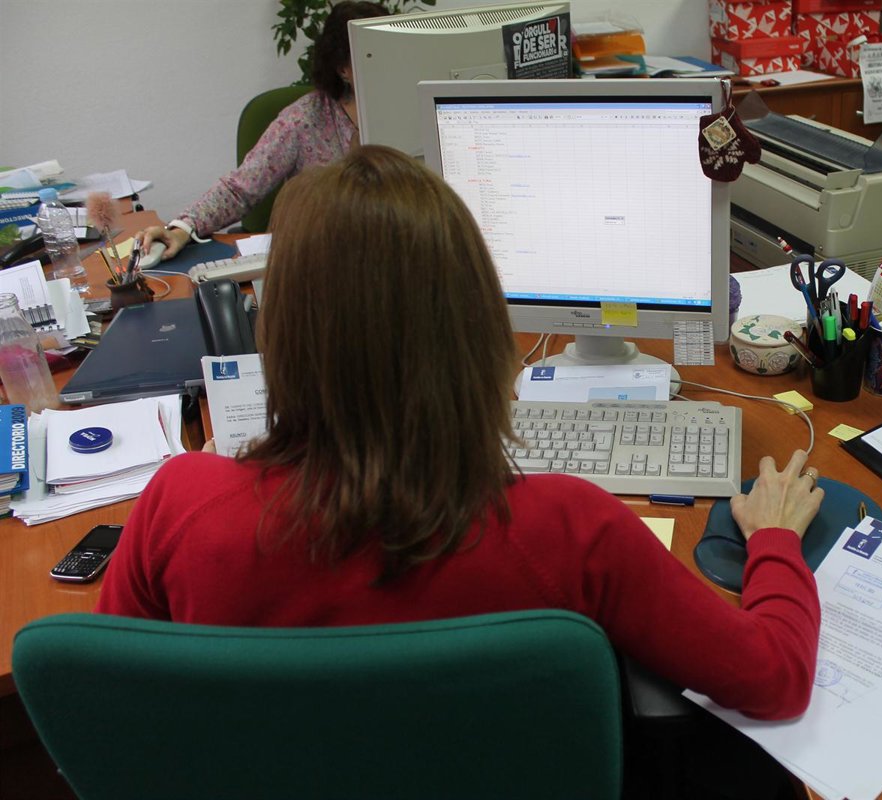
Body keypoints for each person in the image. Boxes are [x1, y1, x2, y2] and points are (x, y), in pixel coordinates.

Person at [98, 145, 825, 724]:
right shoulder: (572, 530)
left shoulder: (180, 504)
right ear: (477, 330)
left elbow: (105, 708)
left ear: (281, 337)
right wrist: (773, 540)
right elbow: (775, 678)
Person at [135, 1, 386, 260]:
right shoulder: (304, 120)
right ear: (342, 68)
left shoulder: (409, 107)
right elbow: (239, 189)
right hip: (321, 256)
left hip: (394, 253)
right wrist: (182, 229)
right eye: (372, 55)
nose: (387, 64)